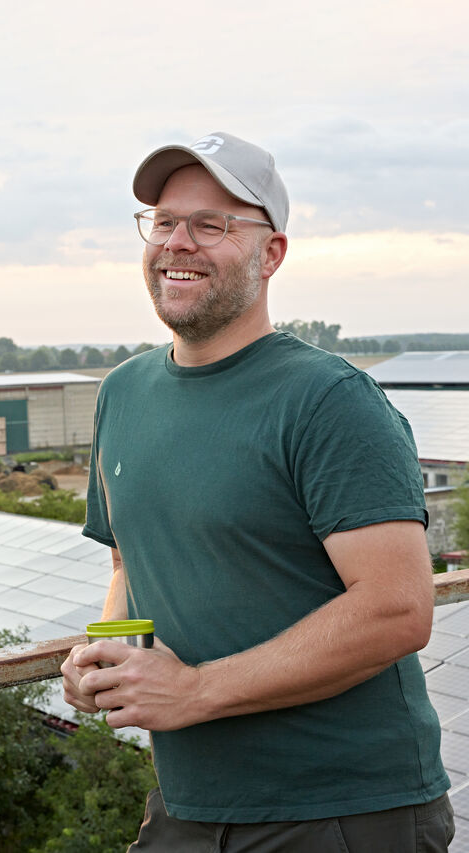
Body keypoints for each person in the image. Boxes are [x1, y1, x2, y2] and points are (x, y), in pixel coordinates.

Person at [61, 132, 454, 851]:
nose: (178, 242)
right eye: (164, 220)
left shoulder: (329, 400)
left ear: (270, 254)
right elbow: (129, 564)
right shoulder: (122, 394)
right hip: (188, 801)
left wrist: (193, 689)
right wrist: (106, 656)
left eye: (211, 225)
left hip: (345, 809)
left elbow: (398, 609)